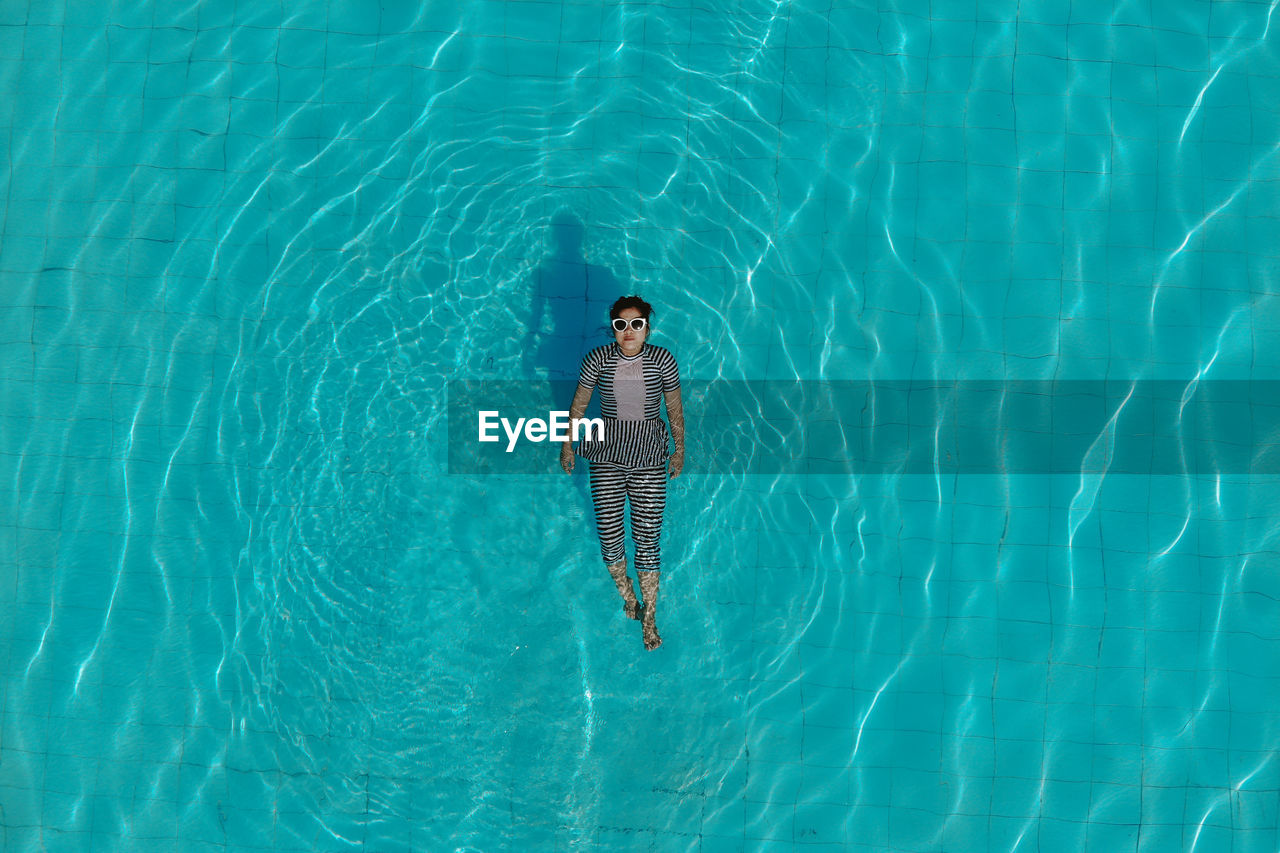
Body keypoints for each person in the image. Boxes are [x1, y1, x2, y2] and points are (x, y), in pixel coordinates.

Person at [560, 296, 685, 650]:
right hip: (607, 454)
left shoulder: (662, 360)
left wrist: (680, 450)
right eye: (620, 324)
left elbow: (674, 407)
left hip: (648, 454)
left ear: (647, 327)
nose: (628, 331)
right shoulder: (597, 359)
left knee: (647, 541)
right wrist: (569, 444)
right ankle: (628, 596)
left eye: (636, 324)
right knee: (609, 536)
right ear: (612, 327)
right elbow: (579, 405)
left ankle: (651, 617)